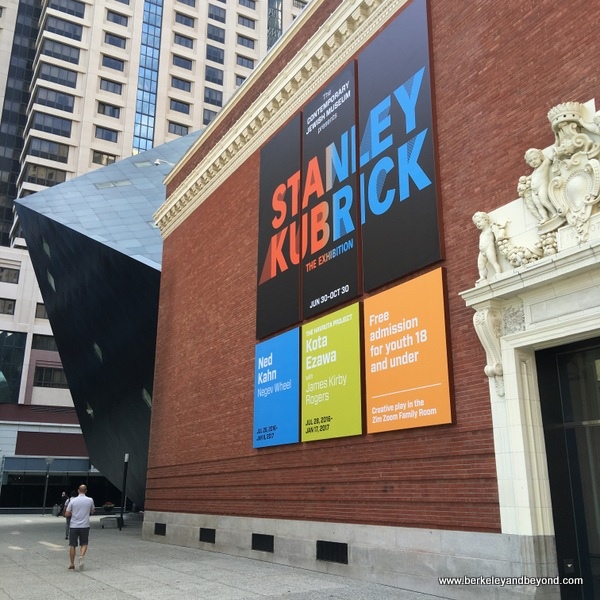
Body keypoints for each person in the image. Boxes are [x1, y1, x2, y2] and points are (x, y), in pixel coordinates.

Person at [65, 484, 95, 571]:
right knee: (84, 543)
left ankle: (71, 564)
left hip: (74, 525)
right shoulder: (90, 500)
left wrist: (73, 513)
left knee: (72, 545)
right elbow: (92, 510)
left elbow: (67, 513)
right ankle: (81, 556)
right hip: (85, 525)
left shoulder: (73, 501)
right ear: (86, 491)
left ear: (78, 490)